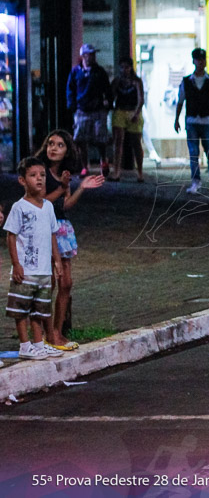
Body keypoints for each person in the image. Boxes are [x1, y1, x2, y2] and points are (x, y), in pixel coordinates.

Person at [35, 130, 103, 350]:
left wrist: (81, 188)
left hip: (62, 228)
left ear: (67, 151)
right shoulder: (40, 173)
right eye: (50, 143)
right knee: (51, 282)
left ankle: (57, 330)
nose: (53, 148)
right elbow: (41, 202)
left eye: (60, 145)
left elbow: (64, 205)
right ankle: (46, 334)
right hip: (46, 230)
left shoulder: (63, 175)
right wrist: (63, 187)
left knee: (67, 282)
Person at [4, 157, 64, 361]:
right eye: (33, 175)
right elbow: (11, 236)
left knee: (39, 309)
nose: (39, 179)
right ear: (22, 180)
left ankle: (39, 344)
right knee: (21, 309)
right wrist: (16, 264)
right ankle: (25, 345)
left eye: (42, 175)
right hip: (26, 270)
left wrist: (57, 261)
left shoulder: (48, 207)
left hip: (43, 270)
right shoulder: (19, 207)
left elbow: (53, 234)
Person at [174, 48, 209, 194]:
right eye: (198, 59)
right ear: (194, 61)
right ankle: (195, 181)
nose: (200, 62)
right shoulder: (187, 81)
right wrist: (176, 119)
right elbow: (180, 101)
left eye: (202, 59)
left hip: (208, 120)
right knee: (194, 152)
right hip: (192, 121)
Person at [66, 44, 112, 177]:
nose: (93, 56)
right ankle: (85, 166)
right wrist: (73, 106)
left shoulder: (99, 71)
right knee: (81, 139)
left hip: (97, 109)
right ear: (84, 56)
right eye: (90, 54)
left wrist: (108, 104)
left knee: (100, 138)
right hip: (82, 109)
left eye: (93, 54)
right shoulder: (76, 72)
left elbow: (107, 89)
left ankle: (103, 160)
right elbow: (70, 89)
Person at [109, 57, 145, 183]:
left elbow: (141, 99)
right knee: (118, 142)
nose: (124, 70)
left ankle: (140, 171)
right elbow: (111, 96)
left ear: (131, 67)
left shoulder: (137, 81)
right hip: (120, 110)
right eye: (122, 67)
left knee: (136, 142)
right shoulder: (117, 81)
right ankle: (116, 171)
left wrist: (136, 113)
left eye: (127, 67)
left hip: (133, 110)